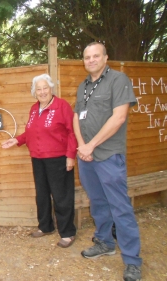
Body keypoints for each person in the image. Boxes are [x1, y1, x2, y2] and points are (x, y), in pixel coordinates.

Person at [73, 42, 142, 281]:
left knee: (120, 207)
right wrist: (82, 146)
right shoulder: (83, 86)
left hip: (109, 156)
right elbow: (76, 117)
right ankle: (105, 242)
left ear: (105, 57)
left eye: (95, 56)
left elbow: (119, 117)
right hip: (86, 157)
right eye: (87, 57)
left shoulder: (118, 80)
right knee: (98, 203)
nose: (91, 60)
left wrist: (91, 146)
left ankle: (132, 261)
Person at [2, 74, 77, 248]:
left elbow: (72, 132)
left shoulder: (62, 106)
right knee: (42, 196)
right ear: (34, 92)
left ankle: (67, 233)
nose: (42, 92)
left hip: (58, 159)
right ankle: (45, 226)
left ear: (51, 89)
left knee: (61, 196)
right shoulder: (34, 109)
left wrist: (70, 156)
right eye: (39, 89)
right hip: (37, 158)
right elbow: (31, 132)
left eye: (45, 88)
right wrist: (17, 140)